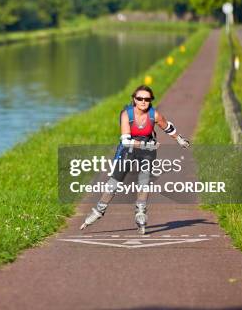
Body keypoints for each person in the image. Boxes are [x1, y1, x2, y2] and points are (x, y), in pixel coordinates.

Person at [80, 85, 190, 234]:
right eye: (140, 98)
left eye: (147, 99)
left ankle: (141, 212)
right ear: (134, 99)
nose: (143, 102)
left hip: (147, 152)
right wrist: (146, 144)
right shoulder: (127, 114)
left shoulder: (154, 115)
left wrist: (179, 139)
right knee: (114, 182)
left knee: (144, 181)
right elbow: (126, 141)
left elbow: (167, 127)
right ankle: (99, 210)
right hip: (129, 149)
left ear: (150, 100)